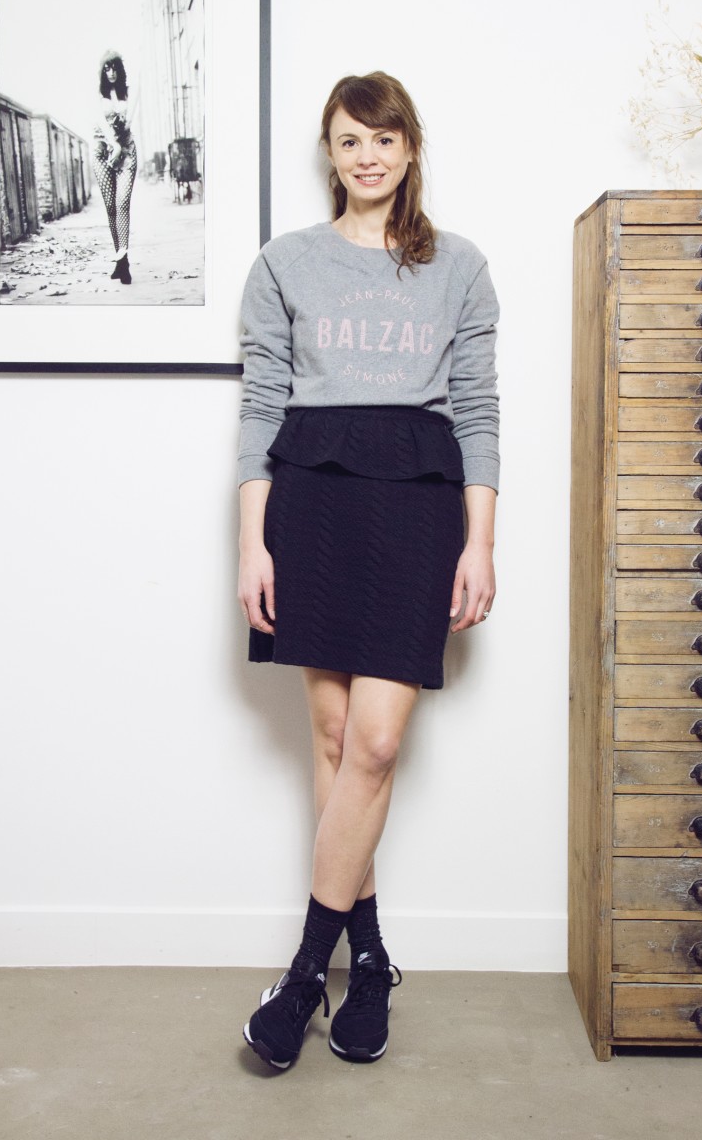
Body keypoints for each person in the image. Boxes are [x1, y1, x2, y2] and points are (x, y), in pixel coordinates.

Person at [236, 71, 499, 1070]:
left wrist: (480, 541)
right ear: (331, 153)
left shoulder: (459, 265)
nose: (367, 156)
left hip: (417, 502)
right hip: (312, 501)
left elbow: (477, 409)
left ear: (410, 147)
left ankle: (307, 972)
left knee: (377, 742)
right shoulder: (285, 262)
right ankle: (374, 959)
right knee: (336, 735)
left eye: (383, 138)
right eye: (349, 140)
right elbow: (261, 407)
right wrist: (252, 542)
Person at [92, 50, 138, 285]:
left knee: (123, 202)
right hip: (102, 151)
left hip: (126, 150)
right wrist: (113, 144)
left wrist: (120, 145)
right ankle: (121, 261)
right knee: (111, 206)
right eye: (107, 68)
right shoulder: (97, 93)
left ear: (120, 69)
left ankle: (124, 260)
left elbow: (127, 122)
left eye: (115, 68)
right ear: (102, 72)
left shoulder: (129, 92)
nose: (111, 73)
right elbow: (100, 121)